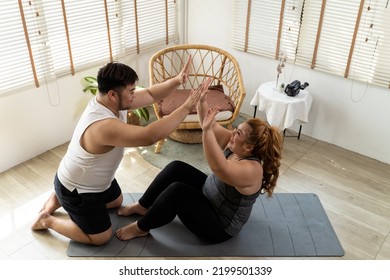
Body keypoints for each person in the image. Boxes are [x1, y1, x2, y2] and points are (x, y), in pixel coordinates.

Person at [32, 57, 208, 245]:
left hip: (90, 181)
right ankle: (47, 219)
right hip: (80, 189)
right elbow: (150, 135)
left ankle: (59, 197)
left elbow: (149, 94)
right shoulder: (103, 125)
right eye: (131, 91)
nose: (135, 95)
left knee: (116, 201)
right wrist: (187, 106)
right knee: (101, 237)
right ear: (113, 94)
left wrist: (177, 80)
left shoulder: (110, 102)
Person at [115, 85, 283, 243]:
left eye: (238, 132)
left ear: (249, 147)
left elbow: (218, 167)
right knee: (176, 168)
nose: (233, 133)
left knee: (178, 191)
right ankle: (143, 205)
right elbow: (212, 125)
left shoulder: (252, 170)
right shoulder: (236, 145)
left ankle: (141, 228)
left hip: (219, 226)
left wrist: (207, 131)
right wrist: (201, 101)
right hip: (209, 195)